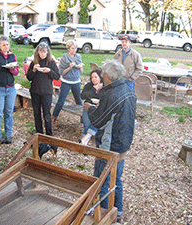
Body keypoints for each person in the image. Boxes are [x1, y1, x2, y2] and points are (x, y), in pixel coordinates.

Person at [83, 60, 137, 222]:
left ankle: (104, 213)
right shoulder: (127, 90)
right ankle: (118, 211)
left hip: (109, 144)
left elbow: (99, 120)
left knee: (102, 178)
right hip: (123, 143)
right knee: (117, 178)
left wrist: (89, 108)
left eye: (102, 74)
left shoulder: (111, 95)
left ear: (106, 76)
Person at [26, 43, 60, 136]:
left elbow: (57, 76)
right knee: (36, 113)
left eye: (44, 52)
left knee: (47, 114)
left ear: (47, 52)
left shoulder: (51, 63)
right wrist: (33, 70)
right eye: (41, 52)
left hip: (46, 92)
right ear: (37, 52)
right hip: (35, 91)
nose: (43, 54)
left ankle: (49, 134)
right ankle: (39, 133)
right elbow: (29, 77)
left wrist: (50, 71)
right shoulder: (34, 62)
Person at [52, 40, 84, 127]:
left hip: (76, 81)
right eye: (72, 48)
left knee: (78, 100)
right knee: (61, 101)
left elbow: (80, 72)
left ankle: (82, 117)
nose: (74, 50)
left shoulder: (78, 57)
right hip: (66, 82)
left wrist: (81, 67)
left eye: (75, 48)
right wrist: (69, 67)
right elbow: (61, 72)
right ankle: (53, 118)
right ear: (68, 48)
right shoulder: (64, 57)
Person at [80, 68, 103, 145]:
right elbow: (83, 96)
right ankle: (84, 144)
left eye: (96, 77)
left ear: (100, 77)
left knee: (97, 122)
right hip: (88, 107)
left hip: (99, 109)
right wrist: (94, 89)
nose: (93, 79)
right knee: (87, 126)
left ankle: (85, 139)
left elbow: (106, 98)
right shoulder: (89, 86)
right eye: (92, 77)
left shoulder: (104, 87)